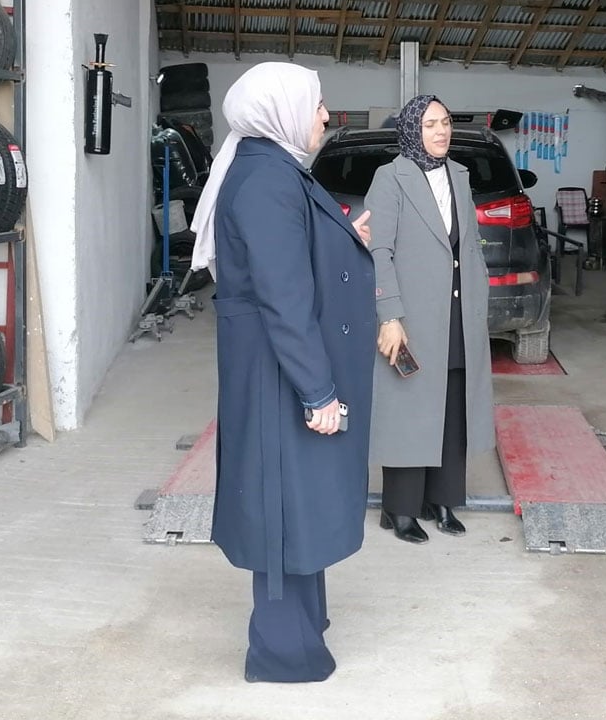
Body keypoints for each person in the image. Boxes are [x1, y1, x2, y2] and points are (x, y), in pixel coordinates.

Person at [189, 62, 375, 684]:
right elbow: (283, 297)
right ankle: (281, 653)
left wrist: (343, 234)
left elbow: (290, 251)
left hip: (278, 367)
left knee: (297, 504)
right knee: (282, 509)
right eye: (318, 104)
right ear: (282, 109)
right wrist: (318, 391)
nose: (327, 115)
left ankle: (304, 626)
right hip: (279, 375)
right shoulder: (266, 179)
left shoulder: (274, 168)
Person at [364, 94, 496, 544]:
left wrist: (479, 305)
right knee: (408, 405)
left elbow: (468, 245)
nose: (441, 132)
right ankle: (399, 508)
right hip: (412, 313)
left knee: (453, 401)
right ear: (411, 132)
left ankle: (442, 499)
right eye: (429, 125)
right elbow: (379, 250)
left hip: (457, 310)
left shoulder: (459, 175)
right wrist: (389, 315)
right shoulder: (391, 178)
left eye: (445, 123)